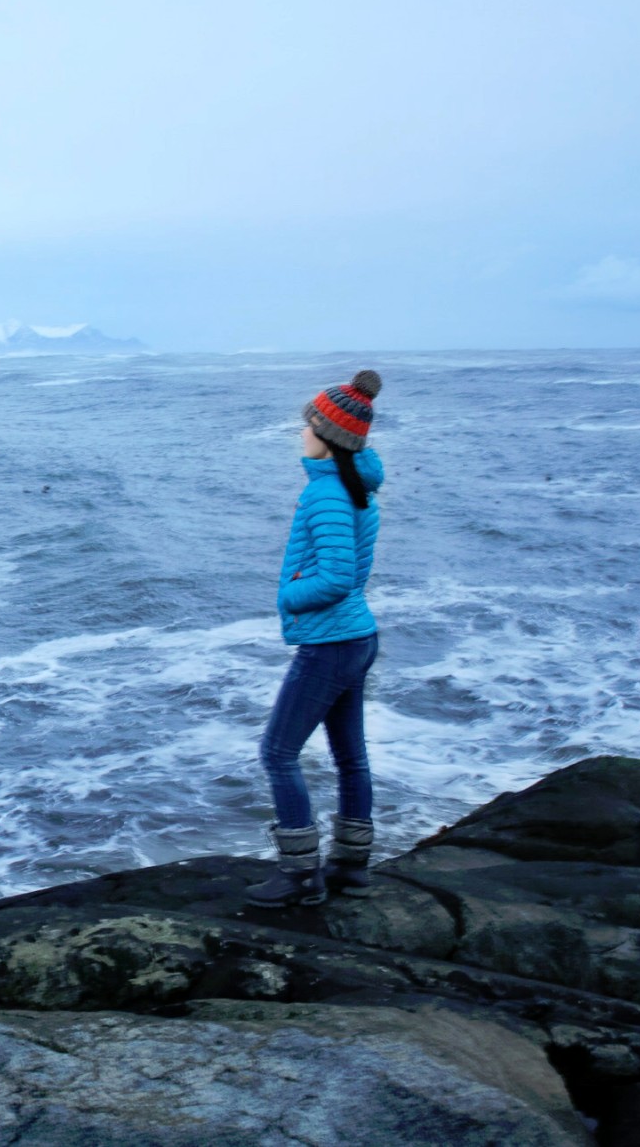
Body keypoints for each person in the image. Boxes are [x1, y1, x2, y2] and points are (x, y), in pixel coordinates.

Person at [246, 369, 386, 908]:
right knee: (350, 756)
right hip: (357, 637)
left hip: (330, 643)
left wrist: (288, 594)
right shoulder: (358, 488)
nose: (300, 431)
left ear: (329, 436)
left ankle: (301, 875)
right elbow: (354, 574)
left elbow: (336, 577)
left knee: (278, 752)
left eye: (308, 423)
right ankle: (351, 866)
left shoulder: (325, 495)